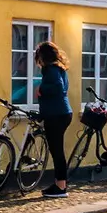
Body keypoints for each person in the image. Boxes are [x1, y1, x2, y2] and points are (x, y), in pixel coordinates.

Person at [34, 41, 71, 197]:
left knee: (57, 151)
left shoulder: (51, 69)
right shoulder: (59, 68)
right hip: (62, 112)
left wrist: (41, 89)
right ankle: (58, 184)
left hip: (56, 114)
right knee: (57, 150)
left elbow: (58, 87)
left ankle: (61, 187)